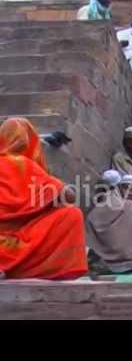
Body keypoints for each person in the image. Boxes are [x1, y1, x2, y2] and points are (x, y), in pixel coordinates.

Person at [0, 117, 88, 280]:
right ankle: (28, 269)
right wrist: (57, 187)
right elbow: (69, 196)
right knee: (71, 214)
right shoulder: (23, 165)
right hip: (16, 243)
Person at [85, 171, 132, 275]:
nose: (131, 193)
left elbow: (90, 247)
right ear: (119, 187)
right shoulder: (130, 206)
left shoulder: (91, 216)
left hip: (105, 265)